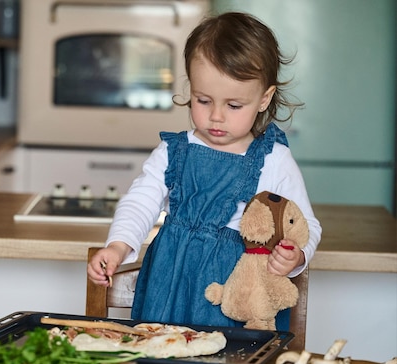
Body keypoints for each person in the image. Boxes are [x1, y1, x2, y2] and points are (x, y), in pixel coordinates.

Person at [87, 12, 322, 331]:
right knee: (162, 357)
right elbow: (140, 202)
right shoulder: (173, 151)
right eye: (203, 100)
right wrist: (118, 245)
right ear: (191, 88)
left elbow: (305, 225)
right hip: (169, 286)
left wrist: (295, 256)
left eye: (234, 105)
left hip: (236, 297)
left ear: (263, 99)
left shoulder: (274, 160)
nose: (216, 116)